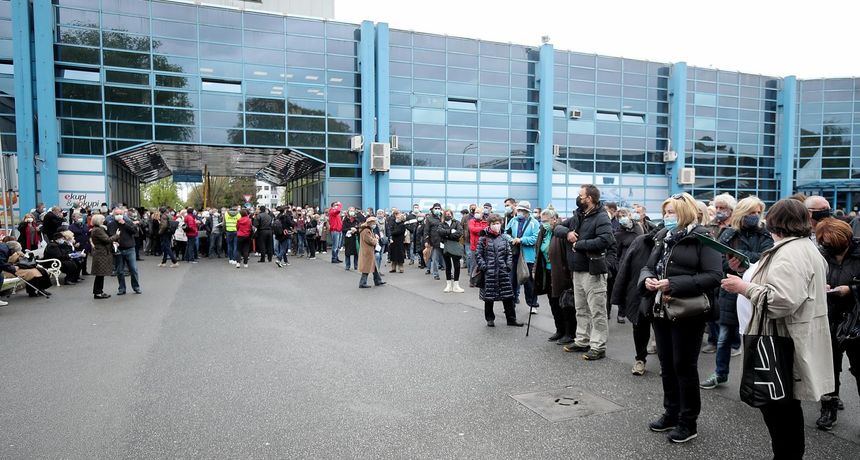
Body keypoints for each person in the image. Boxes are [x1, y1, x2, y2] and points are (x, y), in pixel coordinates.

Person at [721, 199, 833, 459]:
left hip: (781, 342)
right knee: (786, 411)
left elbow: (781, 300)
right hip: (790, 339)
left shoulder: (789, 252)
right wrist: (749, 272)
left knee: (781, 414)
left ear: (775, 222)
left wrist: (743, 287)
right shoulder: (804, 247)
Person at [640, 193, 722, 443]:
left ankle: (689, 421)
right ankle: (671, 412)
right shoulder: (663, 237)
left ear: (684, 213)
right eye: (665, 212)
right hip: (661, 310)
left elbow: (713, 275)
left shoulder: (703, 238)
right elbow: (648, 266)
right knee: (666, 365)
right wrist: (647, 279)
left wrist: (673, 283)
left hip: (688, 312)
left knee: (684, 367)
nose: (666, 217)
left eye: (671, 212)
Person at [700, 196, 773, 390]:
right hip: (730, 292)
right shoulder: (728, 234)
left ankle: (759, 381)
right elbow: (721, 262)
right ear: (742, 213)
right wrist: (736, 263)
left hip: (755, 292)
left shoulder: (765, 234)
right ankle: (720, 373)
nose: (755, 216)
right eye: (751, 213)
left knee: (756, 339)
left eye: (758, 212)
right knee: (724, 338)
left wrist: (742, 260)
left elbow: (766, 259)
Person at [557, 184, 615, 361]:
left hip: (593, 270)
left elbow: (606, 240)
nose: (578, 198)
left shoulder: (601, 216)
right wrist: (568, 233)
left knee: (597, 310)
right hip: (577, 269)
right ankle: (582, 340)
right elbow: (557, 228)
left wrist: (579, 244)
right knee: (581, 308)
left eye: (580, 195)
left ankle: (598, 346)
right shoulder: (577, 215)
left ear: (589, 198)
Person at [812, 218, 860, 431]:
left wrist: (851, 290)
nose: (829, 246)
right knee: (828, 369)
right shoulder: (822, 255)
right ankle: (828, 410)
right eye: (825, 242)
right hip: (828, 317)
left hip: (856, 320)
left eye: (833, 242)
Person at [612, 224, 661, 375]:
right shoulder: (641, 241)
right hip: (639, 292)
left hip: (663, 293)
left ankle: (665, 363)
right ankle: (640, 359)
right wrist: (619, 294)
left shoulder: (675, 244)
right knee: (640, 327)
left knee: (661, 330)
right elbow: (625, 267)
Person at [702, 192, 738, 354]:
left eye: (722, 208)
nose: (718, 210)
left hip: (729, 273)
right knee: (711, 308)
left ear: (730, 209)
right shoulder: (711, 226)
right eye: (716, 207)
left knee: (729, 311)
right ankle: (713, 340)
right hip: (711, 272)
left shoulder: (735, 228)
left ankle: (734, 344)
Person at [533, 209, 574, 341]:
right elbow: (539, 252)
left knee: (565, 303)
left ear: (554, 219)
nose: (543, 223)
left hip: (561, 273)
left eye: (545, 221)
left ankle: (569, 333)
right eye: (541, 220)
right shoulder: (543, 232)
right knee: (553, 302)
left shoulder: (561, 233)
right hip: (547, 272)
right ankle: (559, 330)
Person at [476, 214, 523, 327]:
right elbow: (478, 254)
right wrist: (484, 266)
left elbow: (509, 253)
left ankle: (511, 319)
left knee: (508, 296)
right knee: (489, 297)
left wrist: (507, 266)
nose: (496, 226)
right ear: (489, 225)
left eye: (498, 223)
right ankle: (490, 319)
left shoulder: (504, 238)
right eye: (494, 224)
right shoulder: (483, 238)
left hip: (503, 271)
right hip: (489, 272)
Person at [506, 200, 540, 312]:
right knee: (512, 281)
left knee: (529, 281)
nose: (520, 212)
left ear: (527, 212)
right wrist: (511, 239)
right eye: (519, 210)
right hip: (515, 254)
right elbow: (506, 233)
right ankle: (511, 304)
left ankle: (532, 304)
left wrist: (521, 240)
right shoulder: (513, 221)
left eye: (522, 210)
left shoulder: (534, 222)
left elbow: (535, 238)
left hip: (528, 256)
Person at [611, 207, 641, 324]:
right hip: (624, 264)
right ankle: (621, 312)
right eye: (620, 216)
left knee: (635, 288)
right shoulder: (618, 233)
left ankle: (635, 311)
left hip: (637, 263)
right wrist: (617, 265)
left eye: (625, 215)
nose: (623, 218)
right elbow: (616, 252)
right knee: (623, 288)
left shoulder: (638, 228)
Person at [108, 209, 141, 295]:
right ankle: (122, 288)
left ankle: (136, 287)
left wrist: (124, 224)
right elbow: (111, 235)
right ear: (113, 215)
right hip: (119, 250)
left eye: (120, 214)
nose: (119, 215)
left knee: (133, 269)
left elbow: (134, 231)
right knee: (120, 270)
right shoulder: (111, 224)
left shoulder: (128, 221)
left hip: (130, 248)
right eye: (117, 214)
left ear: (123, 214)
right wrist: (114, 242)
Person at [88, 213, 115, 299]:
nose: (104, 220)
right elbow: (107, 240)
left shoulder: (98, 229)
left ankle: (99, 292)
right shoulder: (98, 230)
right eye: (103, 219)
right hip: (101, 254)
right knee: (100, 274)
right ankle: (98, 293)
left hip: (100, 253)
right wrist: (116, 235)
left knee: (100, 275)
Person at [438, 209, 465, 293]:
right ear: (444, 215)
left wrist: (447, 236)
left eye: (449, 214)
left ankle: (456, 285)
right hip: (444, 247)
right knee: (448, 266)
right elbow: (440, 232)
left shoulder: (456, 222)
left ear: (452, 215)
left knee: (457, 266)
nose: (448, 215)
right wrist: (450, 231)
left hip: (455, 246)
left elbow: (460, 233)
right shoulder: (441, 224)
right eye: (446, 214)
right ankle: (448, 285)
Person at [357, 217, 386, 288]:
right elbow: (370, 241)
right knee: (366, 268)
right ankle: (362, 283)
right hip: (367, 252)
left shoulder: (368, 229)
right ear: (370, 223)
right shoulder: (366, 231)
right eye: (374, 223)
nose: (375, 224)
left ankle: (378, 280)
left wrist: (374, 237)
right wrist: (375, 239)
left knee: (374, 266)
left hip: (368, 251)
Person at [423, 203, 445, 280]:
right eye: (436, 208)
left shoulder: (443, 217)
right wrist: (426, 241)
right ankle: (435, 274)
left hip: (444, 241)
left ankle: (450, 273)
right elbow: (426, 230)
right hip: (435, 241)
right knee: (435, 258)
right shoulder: (429, 218)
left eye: (439, 208)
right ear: (432, 209)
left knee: (447, 258)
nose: (437, 210)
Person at [468, 208, 490, 286]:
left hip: (484, 246)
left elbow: (488, 231)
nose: (476, 213)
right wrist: (483, 230)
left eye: (478, 212)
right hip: (474, 246)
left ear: (482, 213)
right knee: (474, 264)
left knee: (484, 264)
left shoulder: (486, 221)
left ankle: (482, 280)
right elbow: (472, 229)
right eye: (475, 212)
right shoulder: (471, 221)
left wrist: (483, 230)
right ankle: (472, 281)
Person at [69, 211, 91, 276]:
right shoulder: (71, 227)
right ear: (74, 218)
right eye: (78, 217)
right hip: (78, 244)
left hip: (85, 243)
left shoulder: (84, 225)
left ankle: (84, 271)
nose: (80, 218)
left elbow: (86, 232)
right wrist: (74, 243)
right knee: (79, 259)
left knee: (85, 258)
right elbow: (70, 236)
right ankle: (77, 273)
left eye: (81, 217)